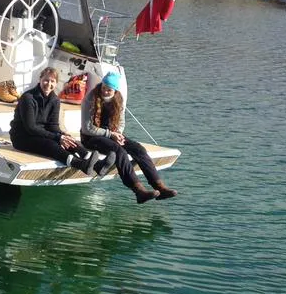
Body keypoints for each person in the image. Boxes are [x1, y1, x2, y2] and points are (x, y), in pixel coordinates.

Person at [81, 71, 177, 204]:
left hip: (112, 134)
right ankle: (138, 190)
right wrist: (111, 135)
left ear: (115, 91)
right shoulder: (90, 98)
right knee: (119, 151)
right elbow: (87, 128)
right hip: (91, 137)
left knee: (139, 149)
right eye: (103, 88)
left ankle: (159, 186)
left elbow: (120, 123)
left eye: (109, 90)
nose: (105, 91)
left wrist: (118, 134)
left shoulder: (119, 99)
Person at [10, 67, 98, 174]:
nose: (48, 84)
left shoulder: (55, 100)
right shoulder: (28, 98)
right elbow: (31, 128)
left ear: (56, 83)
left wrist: (62, 135)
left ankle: (91, 159)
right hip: (22, 137)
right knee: (51, 144)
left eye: (52, 81)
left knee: (66, 139)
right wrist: (57, 137)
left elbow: (53, 126)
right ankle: (81, 164)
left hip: (40, 134)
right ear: (40, 80)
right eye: (46, 80)